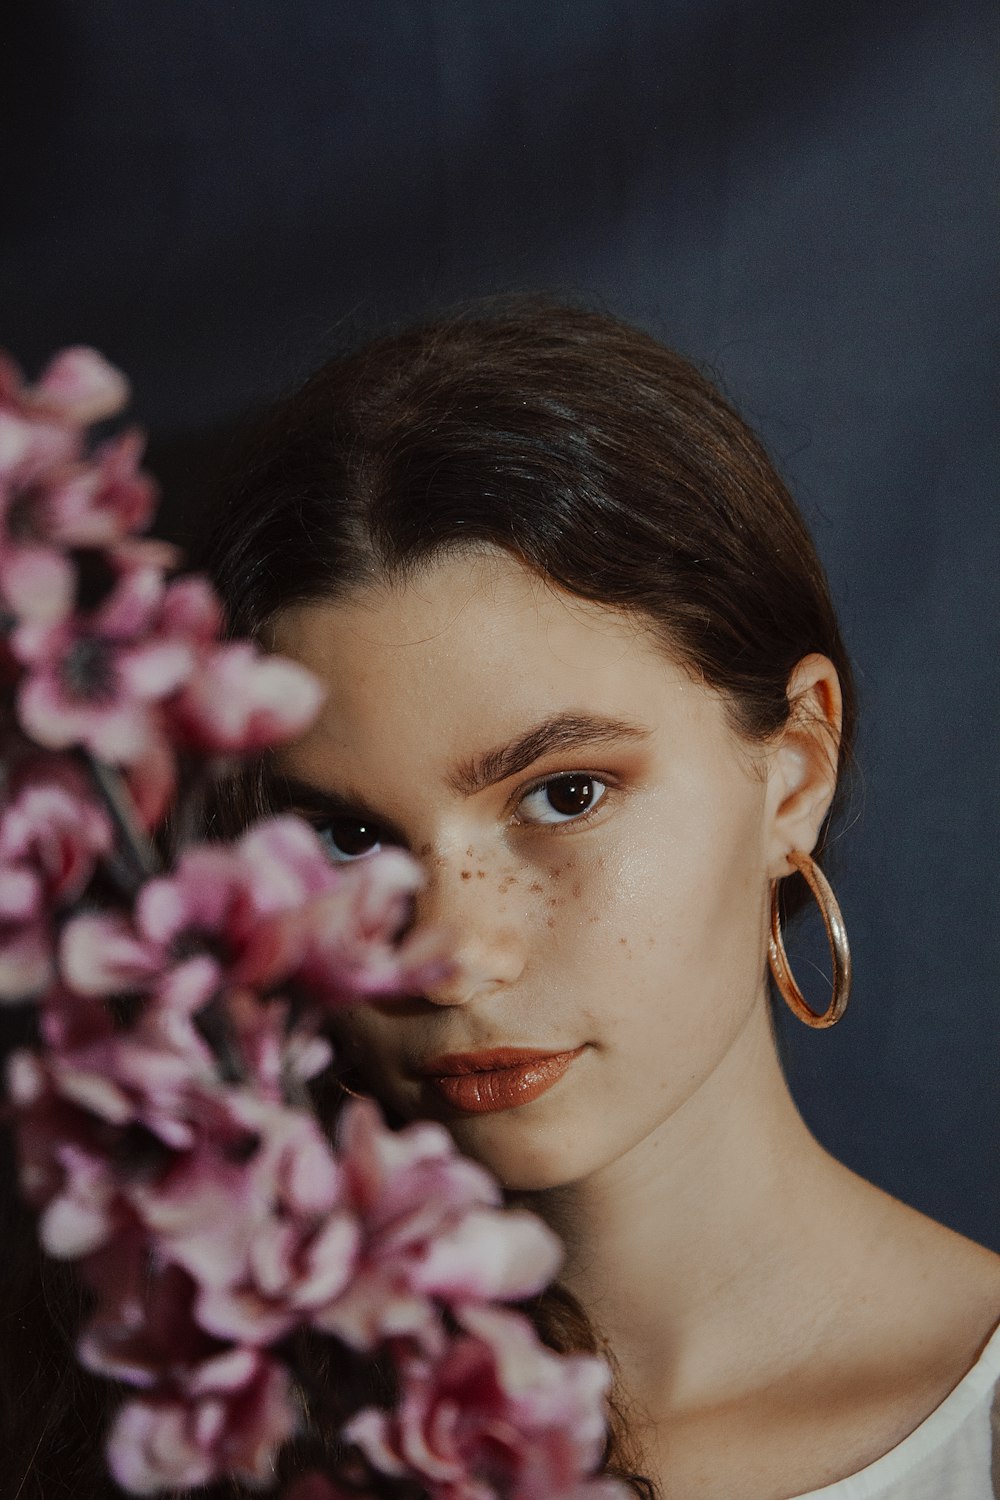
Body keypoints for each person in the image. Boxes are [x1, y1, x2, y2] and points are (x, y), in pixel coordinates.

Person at [204, 301, 1000, 1500]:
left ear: (792, 769)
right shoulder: (174, 1418)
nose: (455, 955)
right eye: (348, 833)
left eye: (564, 793)